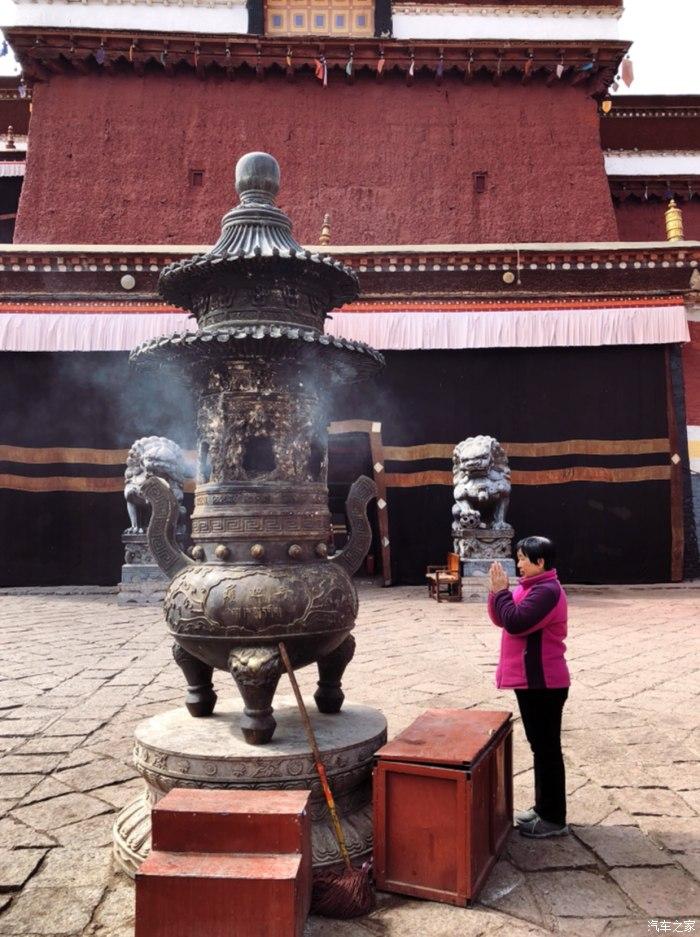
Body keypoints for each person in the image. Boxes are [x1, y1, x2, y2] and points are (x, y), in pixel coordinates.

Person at [487, 536, 570, 838]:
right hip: (532, 683)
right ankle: (543, 808)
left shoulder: (547, 591)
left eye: (523, 559)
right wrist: (498, 595)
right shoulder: (531, 588)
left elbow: (517, 622)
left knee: (547, 748)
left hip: (544, 683)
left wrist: (501, 593)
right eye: (518, 557)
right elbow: (502, 618)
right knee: (540, 746)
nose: (518, 564)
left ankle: (553, 818)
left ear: (541, 563)